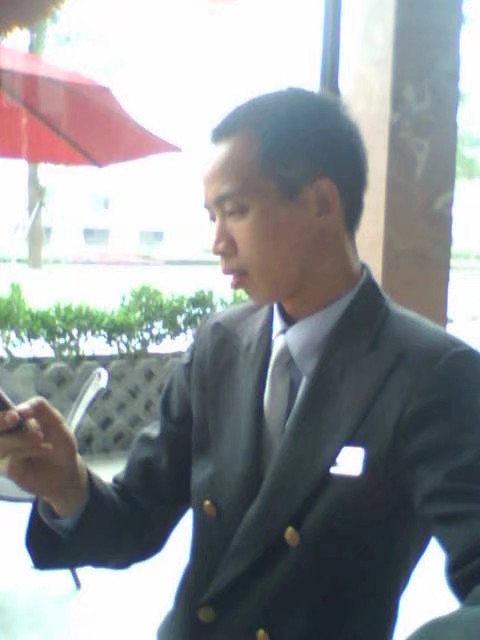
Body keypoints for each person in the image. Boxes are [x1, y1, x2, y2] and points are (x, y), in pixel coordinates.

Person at [1, 87, 480, 640]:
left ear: (322, 203)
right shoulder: (220, 345)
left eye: (236, 211)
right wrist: (67, 485)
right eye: (213, 216)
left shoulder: (431, 374)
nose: (217, 242)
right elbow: (137, 516)